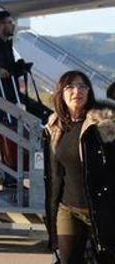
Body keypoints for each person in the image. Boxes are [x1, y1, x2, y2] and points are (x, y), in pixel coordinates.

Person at [44, 70, 115, 264]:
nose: (77, 91)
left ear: (89, 92)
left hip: (102, 209)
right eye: (70, 87)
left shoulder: (103, 124)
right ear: (61, 93)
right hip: (68, 209)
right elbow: (55, 174)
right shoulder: (54, 126)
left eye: (83, 86)